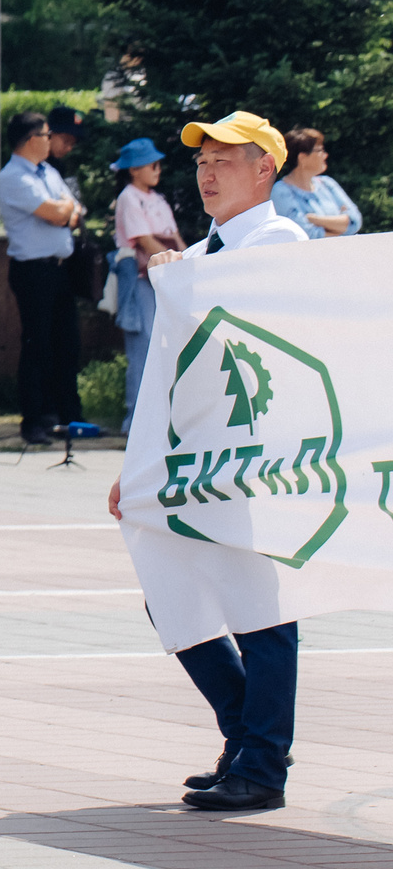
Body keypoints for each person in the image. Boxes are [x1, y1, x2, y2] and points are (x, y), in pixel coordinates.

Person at [109, 111, 309, 813]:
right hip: (196, 461)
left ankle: (262, 764)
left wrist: (184, 277)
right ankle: (248, 736)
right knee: (170, 593)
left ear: (265, 169)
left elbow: (256, 319)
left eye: (225, 159)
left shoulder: (281, 241)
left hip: (259, 460)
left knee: (261, 610)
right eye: (201, 161)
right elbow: (170, 376)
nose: (207, 172)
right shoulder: (200, 252)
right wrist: (139, 464)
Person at [0, 110, 87, 445]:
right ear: (31, 139)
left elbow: (75, 210)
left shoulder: (48, 171)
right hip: (33, 271)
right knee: (38, 345)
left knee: (67, 344)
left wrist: (65, 211)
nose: (51, 141)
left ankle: (69, 415)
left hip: (61, 268)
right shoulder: (13, 177)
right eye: (47, 135)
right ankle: (35, 420)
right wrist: (63, 211)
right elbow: (55, 213)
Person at [108, 137, 179, 435]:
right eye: (151, 164)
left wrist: (185, 262)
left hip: (164, 278)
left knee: (163, 348)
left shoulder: (158, 199)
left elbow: (174, 238)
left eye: (158, 164)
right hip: (140, 281)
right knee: (143, 348)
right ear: (134, 169)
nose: (157, 169)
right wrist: (177, 264)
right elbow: (145, 240)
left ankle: (160, 418)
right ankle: (135, 421)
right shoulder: (129, 197)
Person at [271, 128, 362, 240]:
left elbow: (355, 222)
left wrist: (314, 219)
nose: (325, 155)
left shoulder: (327, 183)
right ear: (302, 157)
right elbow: (307, 235)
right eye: (320, 150)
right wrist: (340, 226)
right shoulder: (280, 191)